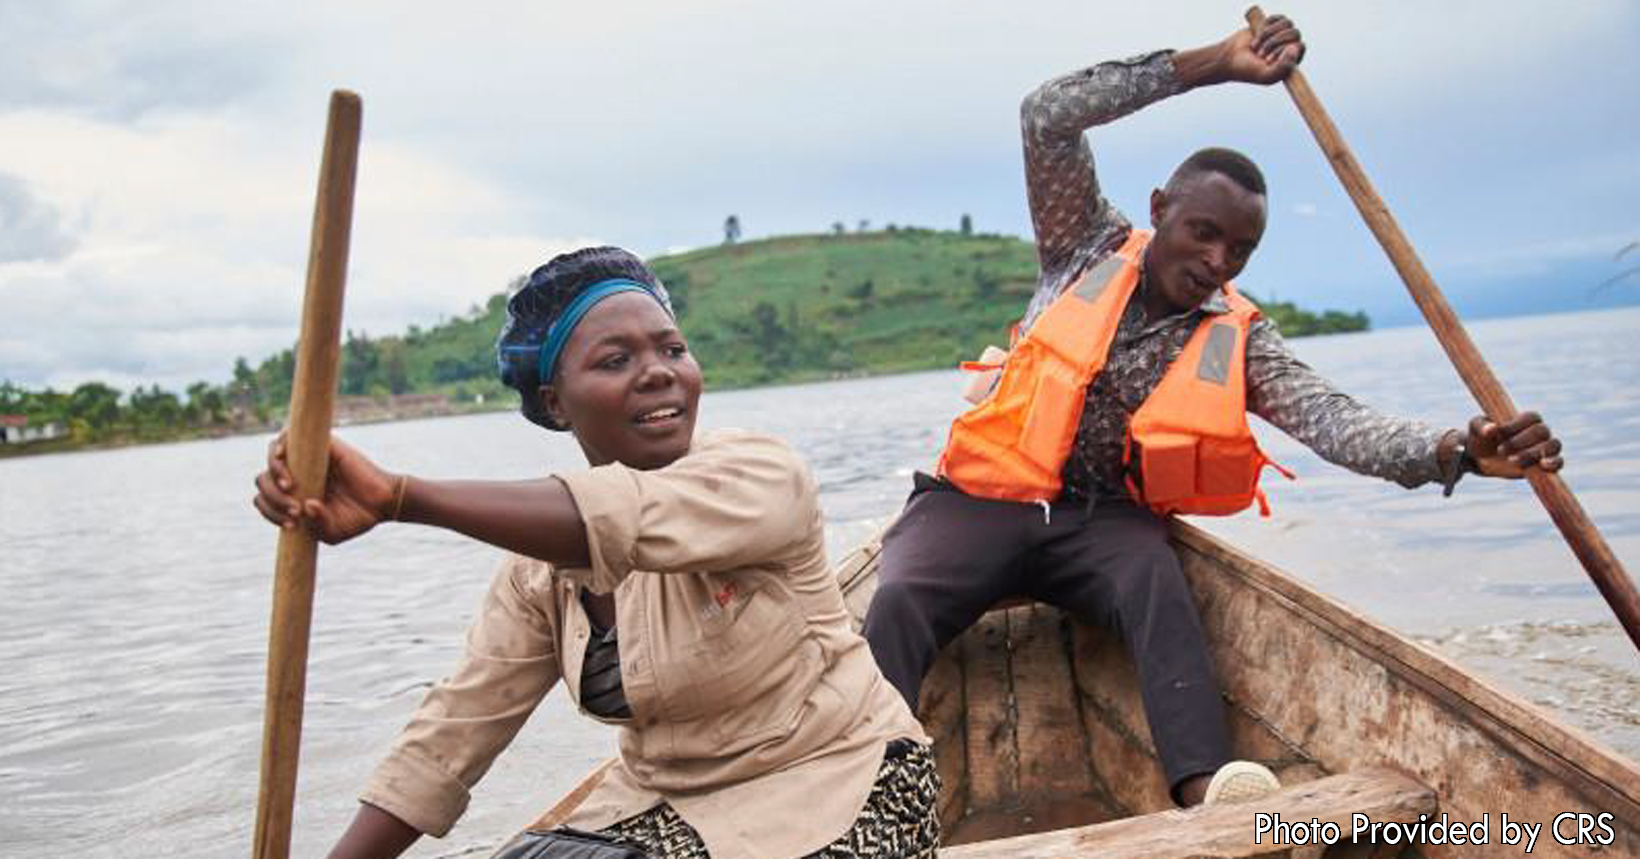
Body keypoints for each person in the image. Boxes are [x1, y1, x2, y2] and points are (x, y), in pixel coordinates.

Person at [861, 14, 1564, 808]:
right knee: (899, 594)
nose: (1216, 261)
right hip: (980, 501)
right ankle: (875, 776)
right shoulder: (1081, 244)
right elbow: (1045, 114)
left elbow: (1337, 422)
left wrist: (1458, 451)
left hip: (1103, 522)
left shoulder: (1242, 336)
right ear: (1161, 207)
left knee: (1160, 584)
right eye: (1203, 233)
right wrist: (1215, 65)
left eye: (1239, 250)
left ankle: (1205, 790)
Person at [254, 247, 939, 859]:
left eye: (672, 349)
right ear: (556, 404)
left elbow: (622, 515)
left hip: (839, 787)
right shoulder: (537, 569)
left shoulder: (761, 476)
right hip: (662, 804)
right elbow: (454, 731)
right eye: (616, 361)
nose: (658, 374)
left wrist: (400, 497)